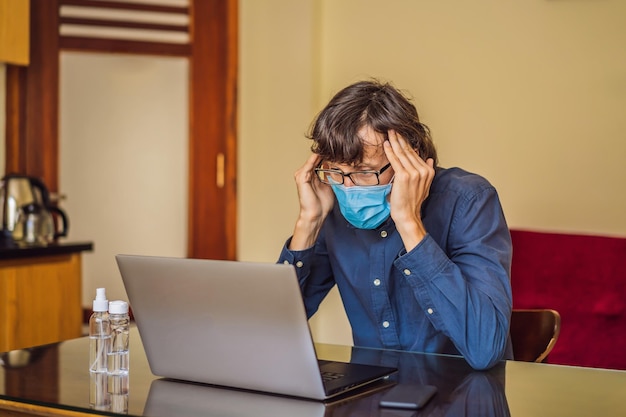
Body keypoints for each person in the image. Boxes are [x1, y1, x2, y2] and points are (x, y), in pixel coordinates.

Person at [277, 79, 513, 370]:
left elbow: (485, 348)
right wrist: (308, 223)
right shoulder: (333, 207)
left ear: (408, 156)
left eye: (365, 172)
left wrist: (409, 222)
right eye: (336, 171)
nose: (348, 186)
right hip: (371, 398)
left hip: (461, 396)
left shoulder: (470, 200)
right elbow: (270, 332)